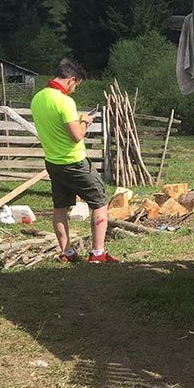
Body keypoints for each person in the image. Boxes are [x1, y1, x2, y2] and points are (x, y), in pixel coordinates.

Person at [30, 58, 116, 264]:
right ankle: (98, 253)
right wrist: (85, 121)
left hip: (53, 162)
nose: (75, 89)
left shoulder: (38, 98)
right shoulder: (65, 101)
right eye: (77, 85)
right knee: (100, 202)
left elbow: (56, 127)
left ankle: (67, 252)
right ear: (71, 79)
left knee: (60, 207)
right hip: (74, 162)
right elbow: (77, 135)